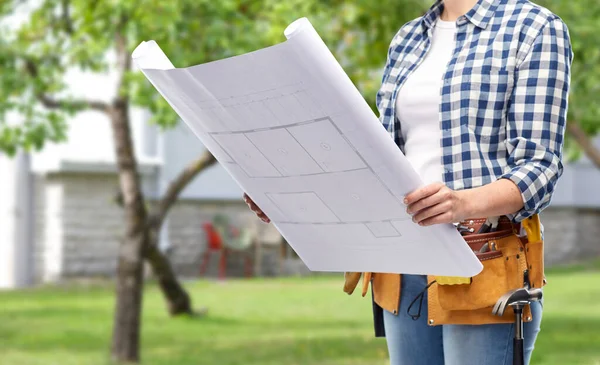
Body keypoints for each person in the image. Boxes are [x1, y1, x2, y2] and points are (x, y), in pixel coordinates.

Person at [243, 0, 573, 364]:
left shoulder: (535, 28)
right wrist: (286, 199)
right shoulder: (408, 38)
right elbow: (377, 163)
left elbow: (539, 167)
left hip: (483, 262)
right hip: (403, 264)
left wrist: (461, 203)